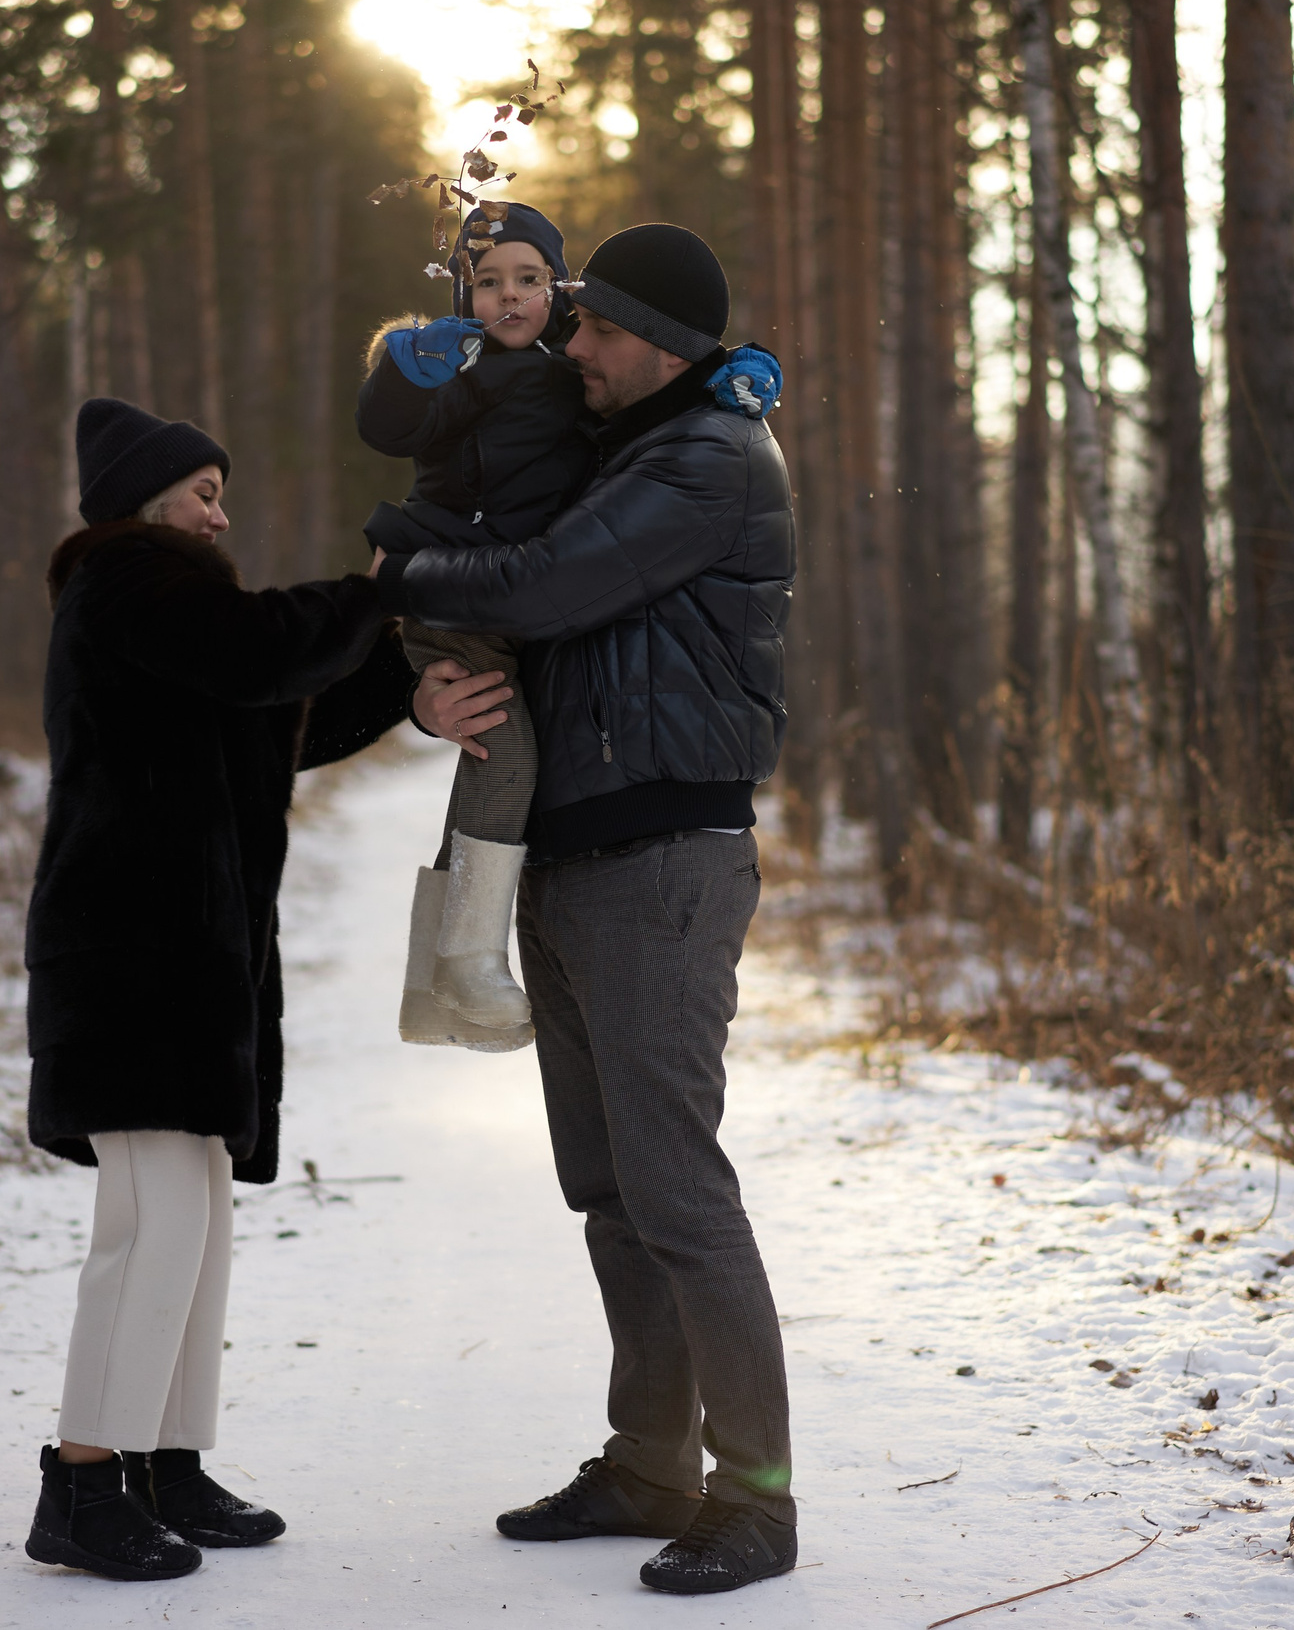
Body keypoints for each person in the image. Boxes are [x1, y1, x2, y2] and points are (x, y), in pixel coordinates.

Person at [378, 224, 799, 1595]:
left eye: (595, 329)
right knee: (611, 1190)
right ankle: (648, 1459)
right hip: (574, 858)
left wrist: (391, 582)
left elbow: (543, 583)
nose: (572, 345)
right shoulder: (626, 439)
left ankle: (758, 1493)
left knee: (678, 1188)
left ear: (659, 341)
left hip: (663, 859)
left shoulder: (705, 458)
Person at [21, 396, 414, 1582]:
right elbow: (264, 649)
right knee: (155, 1230)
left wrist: (401, 679)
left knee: (193, 1226)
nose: (220, 510)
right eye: (204, 491)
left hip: (180, 966)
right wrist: (378, 587)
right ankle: (84, 1486)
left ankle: (165, 1461)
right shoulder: (125, 577)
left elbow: (272, 714)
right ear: (146, 502)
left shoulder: (167, 617)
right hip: (131, 964)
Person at [356, 201, 593, 1045]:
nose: (510, 297)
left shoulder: (577, 366)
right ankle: (469, 959)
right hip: (446, 577)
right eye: (488, 282)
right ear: (467, 295)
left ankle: (438, 982)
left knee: (493, 758)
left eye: (530, 279)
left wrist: (711, 378)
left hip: (514, 591)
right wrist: (402, 366)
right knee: (507, 747)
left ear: (559, 288)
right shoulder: (452, 365)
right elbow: (385, 426)